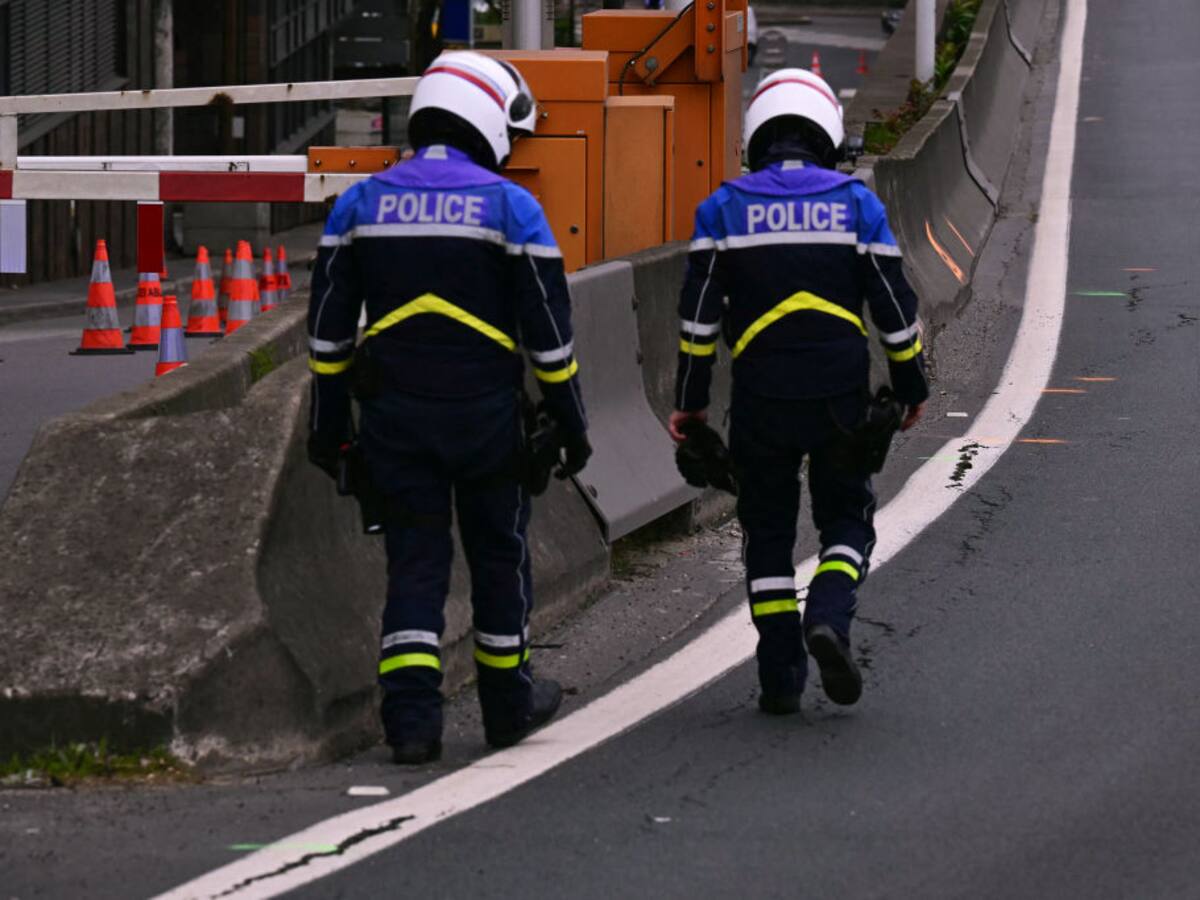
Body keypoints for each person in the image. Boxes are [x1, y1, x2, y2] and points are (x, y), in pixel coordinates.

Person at [306, 51, 591, 764]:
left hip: (394, 419)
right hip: (487, 417)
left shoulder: (360, 204)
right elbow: (550, 338)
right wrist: (572, 424)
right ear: (489, 119)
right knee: (499, 556)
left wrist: (329, 429)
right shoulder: (510, 206)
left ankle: (410, 722)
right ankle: (506, 706)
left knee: (415, 563)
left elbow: (329, 339)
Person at [668, 68, 927, 714]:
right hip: (839, 394)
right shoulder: (856, 203)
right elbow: (895, 309)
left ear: (758, 137)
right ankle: (830, 619)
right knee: (846, 516)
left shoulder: (721, 209)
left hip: (761, 398)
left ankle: (780, 675)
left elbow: (698, 327)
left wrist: (691, 403)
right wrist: (911, 385)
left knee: (768, 532)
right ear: (828, 137)